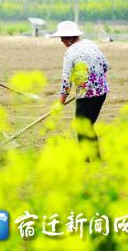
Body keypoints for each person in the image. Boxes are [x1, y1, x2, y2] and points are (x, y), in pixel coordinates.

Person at [51, 21, 109, 159]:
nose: (61, 41)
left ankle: (90, 159)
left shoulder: (70, 53)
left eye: (63, 38)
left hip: (86, 95)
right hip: (102, 92)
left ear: (70, 37)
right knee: (87, 125)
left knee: (83, 126)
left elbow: (66, 81)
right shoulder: (91, 44)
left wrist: (60, 103)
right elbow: (106, 65)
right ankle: (93, 157)